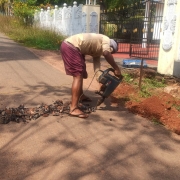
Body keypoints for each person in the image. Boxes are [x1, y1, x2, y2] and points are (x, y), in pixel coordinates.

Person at [60, 33, 122, 118]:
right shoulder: (106, 39)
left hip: (73, 47)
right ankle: (73, 108)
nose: (111, 52)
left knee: (81, 73)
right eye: (112, 51)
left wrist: (100, 82)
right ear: (111, 46)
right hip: (71, 46)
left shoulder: (98, 50)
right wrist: (116, 68)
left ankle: (81, 96)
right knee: (78, 76)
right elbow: (107, 53)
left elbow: (97, 69)